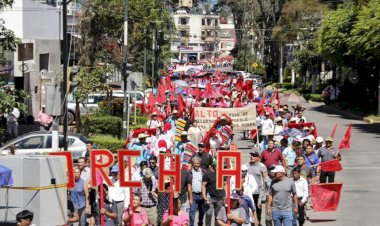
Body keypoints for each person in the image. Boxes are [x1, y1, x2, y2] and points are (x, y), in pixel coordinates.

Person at [247, 152, 269, 225]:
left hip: (258, 192)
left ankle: (258, 222)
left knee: (257, 209)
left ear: (258, 158)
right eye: (251, 155)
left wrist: (266, 190)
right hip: (248, 192)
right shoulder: (247, 165)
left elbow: (265, 178)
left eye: (254, 156)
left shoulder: (262, 166)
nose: (252, 157)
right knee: (249, 209)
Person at [202, 158, 226, 226]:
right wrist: (204, 196)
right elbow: (203, 185)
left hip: (220, 197)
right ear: (214, 166)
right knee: (208, 214)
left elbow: (225, 184)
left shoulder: (222, 172)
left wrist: (226, 195)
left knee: (218, 216)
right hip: (210, 197)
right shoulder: (207, 173)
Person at [189, 157, 206, 226]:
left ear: (200, 164)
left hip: (201, 195)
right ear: (192, 164)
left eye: (197, 163)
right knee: (192, 213)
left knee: (202, 212)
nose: (196, 164)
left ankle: (200, 223)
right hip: (193, 195)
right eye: (195, 163)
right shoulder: (189, 172)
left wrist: (205, 195)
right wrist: (190, 198)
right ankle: (191, 224)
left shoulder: (203, 172)